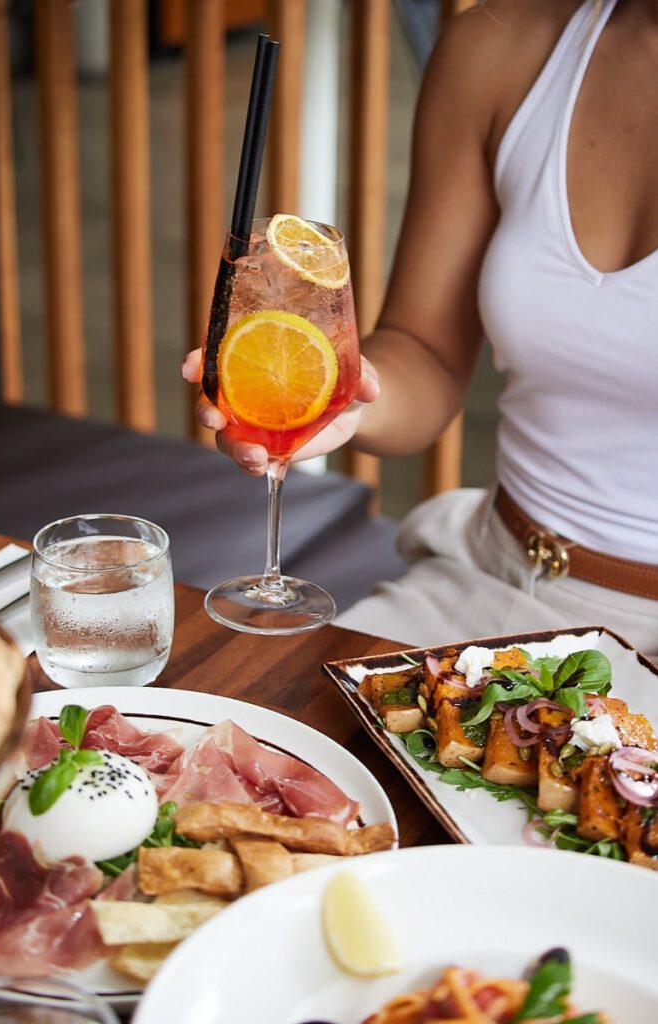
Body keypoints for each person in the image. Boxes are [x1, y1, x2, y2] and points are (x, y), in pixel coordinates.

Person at [183, 0, 658, 659]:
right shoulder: (499, 47)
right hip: (488, 577)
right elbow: (423, 348)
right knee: (264, 706)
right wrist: (347, 399)